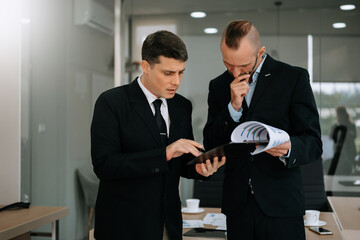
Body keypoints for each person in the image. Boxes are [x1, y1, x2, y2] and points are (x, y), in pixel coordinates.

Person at [91, 30, 225, 240]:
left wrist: (199, 168)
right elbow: (104, 165)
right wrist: (164, 153)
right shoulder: (112, 102)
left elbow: (180, 163)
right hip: (123, 226)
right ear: (146, 66)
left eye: (181, 72)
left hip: (168, 224)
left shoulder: (182, 106)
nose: (176, 81)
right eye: (168, 73)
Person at [203, 20, 322, 240]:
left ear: (261, 52)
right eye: (228, 63)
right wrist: (233, 108)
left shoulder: (293, 78)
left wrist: (289, 148)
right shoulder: (218, 86)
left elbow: (313, 142)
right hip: (238, 207)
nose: (235, 72)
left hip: (282, 206)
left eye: (243, 65)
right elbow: (211, 143)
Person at [329, 105, 357, 174]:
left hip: (349, 153)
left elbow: (354, 136)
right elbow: (331, 136)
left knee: (348, 171)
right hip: (339, 153)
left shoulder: (351, 125)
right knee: (338, 171)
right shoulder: (335, 126)